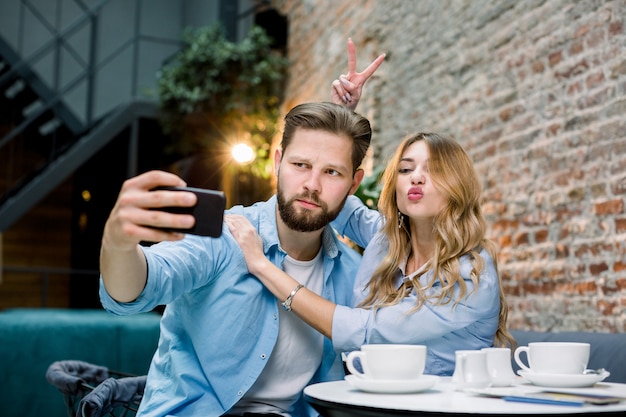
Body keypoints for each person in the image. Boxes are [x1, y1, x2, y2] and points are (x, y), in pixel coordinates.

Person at [224, 41, 515, 377]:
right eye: (406, 170)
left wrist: (262, 266)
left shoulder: (472, 276)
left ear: (458, 186)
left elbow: (362, 332)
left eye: (433, 171)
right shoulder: (385, 236)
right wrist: (341, 119)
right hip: (372, 399)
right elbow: (329, 190)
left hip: (442, 408)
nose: (416, 178)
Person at [98, 101, 377, 417]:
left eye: (331, 172)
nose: (312, 185)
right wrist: (118, 243)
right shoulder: (221, 236)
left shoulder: (354, 274)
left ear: (353, 184)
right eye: (301, 165)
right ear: (278, 162)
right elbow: (135, 288)